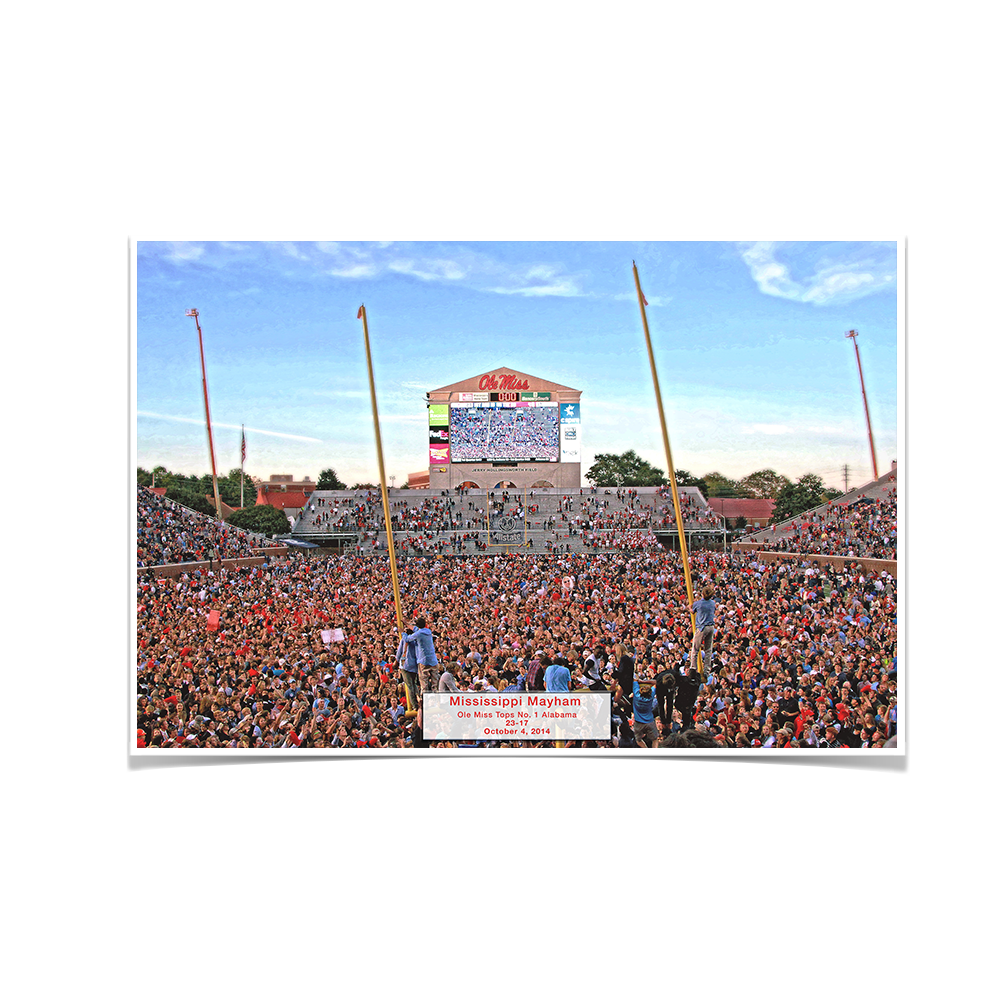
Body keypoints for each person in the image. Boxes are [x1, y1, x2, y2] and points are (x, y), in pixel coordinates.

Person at [690, 585, 718, 677]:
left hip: (702, 628)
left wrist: (689, 607)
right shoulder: (713, 603)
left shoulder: (699, 603)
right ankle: (706, 671)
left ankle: (693, 669)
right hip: (711, 627)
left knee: (695, 649)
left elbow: (692, 610)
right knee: (708, 650)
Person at [631, 672, 658, 748]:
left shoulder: (636, 695)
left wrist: (638, 681)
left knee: (638, 740)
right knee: (655, 739)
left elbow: (634, 679)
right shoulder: (651, 696)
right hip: (649, 721)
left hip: (638, 722)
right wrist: (643, 682)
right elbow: (656, 682)